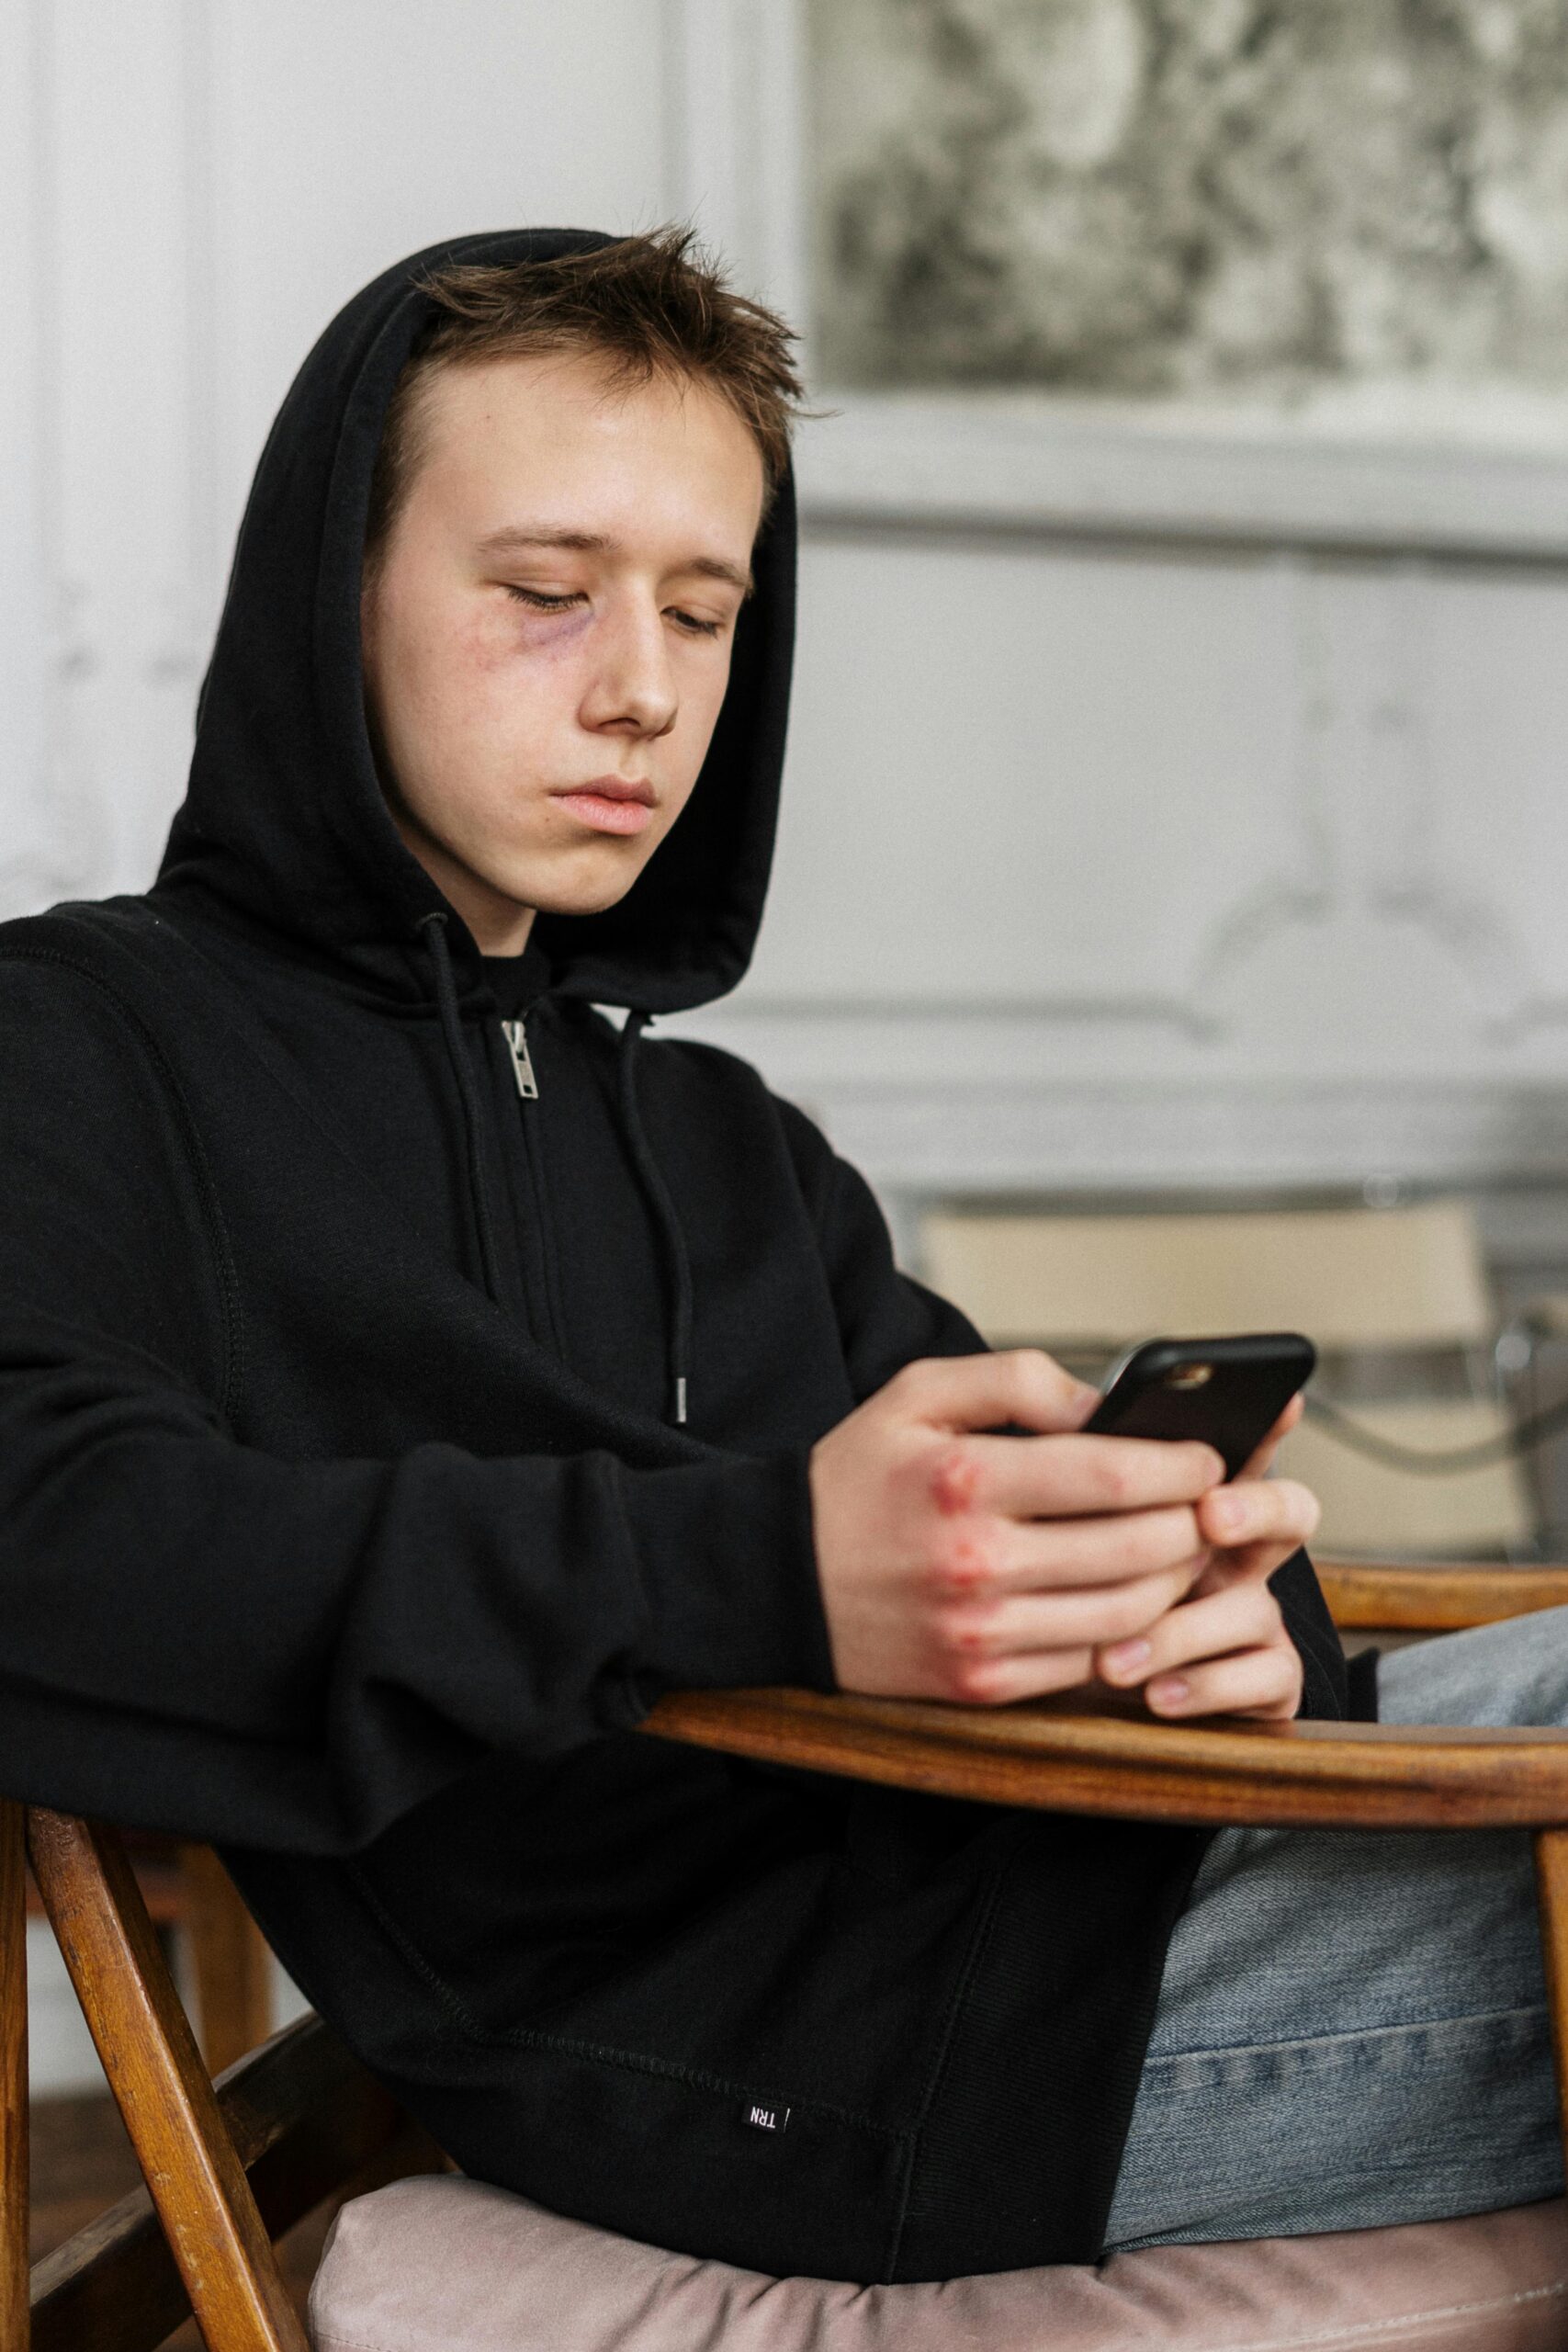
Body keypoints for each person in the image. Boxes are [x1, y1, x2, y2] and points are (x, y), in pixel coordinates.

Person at [0, 227, 1556, 2285]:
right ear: (331, 597)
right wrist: (766, 1567)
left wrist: (1236, 1614)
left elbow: (1011, 1504)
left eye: (703, 610)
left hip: (1078, 1869)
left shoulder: (730, 1146)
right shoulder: (88, 1040)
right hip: (867, 2067)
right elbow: (52, 1530)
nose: (643, 687)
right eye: (545, 594)